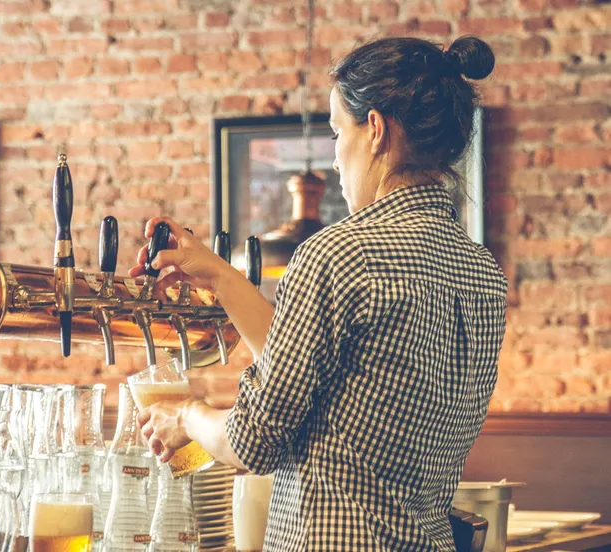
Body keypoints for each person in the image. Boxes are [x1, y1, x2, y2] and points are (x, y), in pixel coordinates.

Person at [129, 35, 507, 551]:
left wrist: (189, 415)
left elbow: (255, 442)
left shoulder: (338, 253)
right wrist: (220, 276)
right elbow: (321, 383)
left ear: (374, 129)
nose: (333, 161)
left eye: (335, 133)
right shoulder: (483, 271)